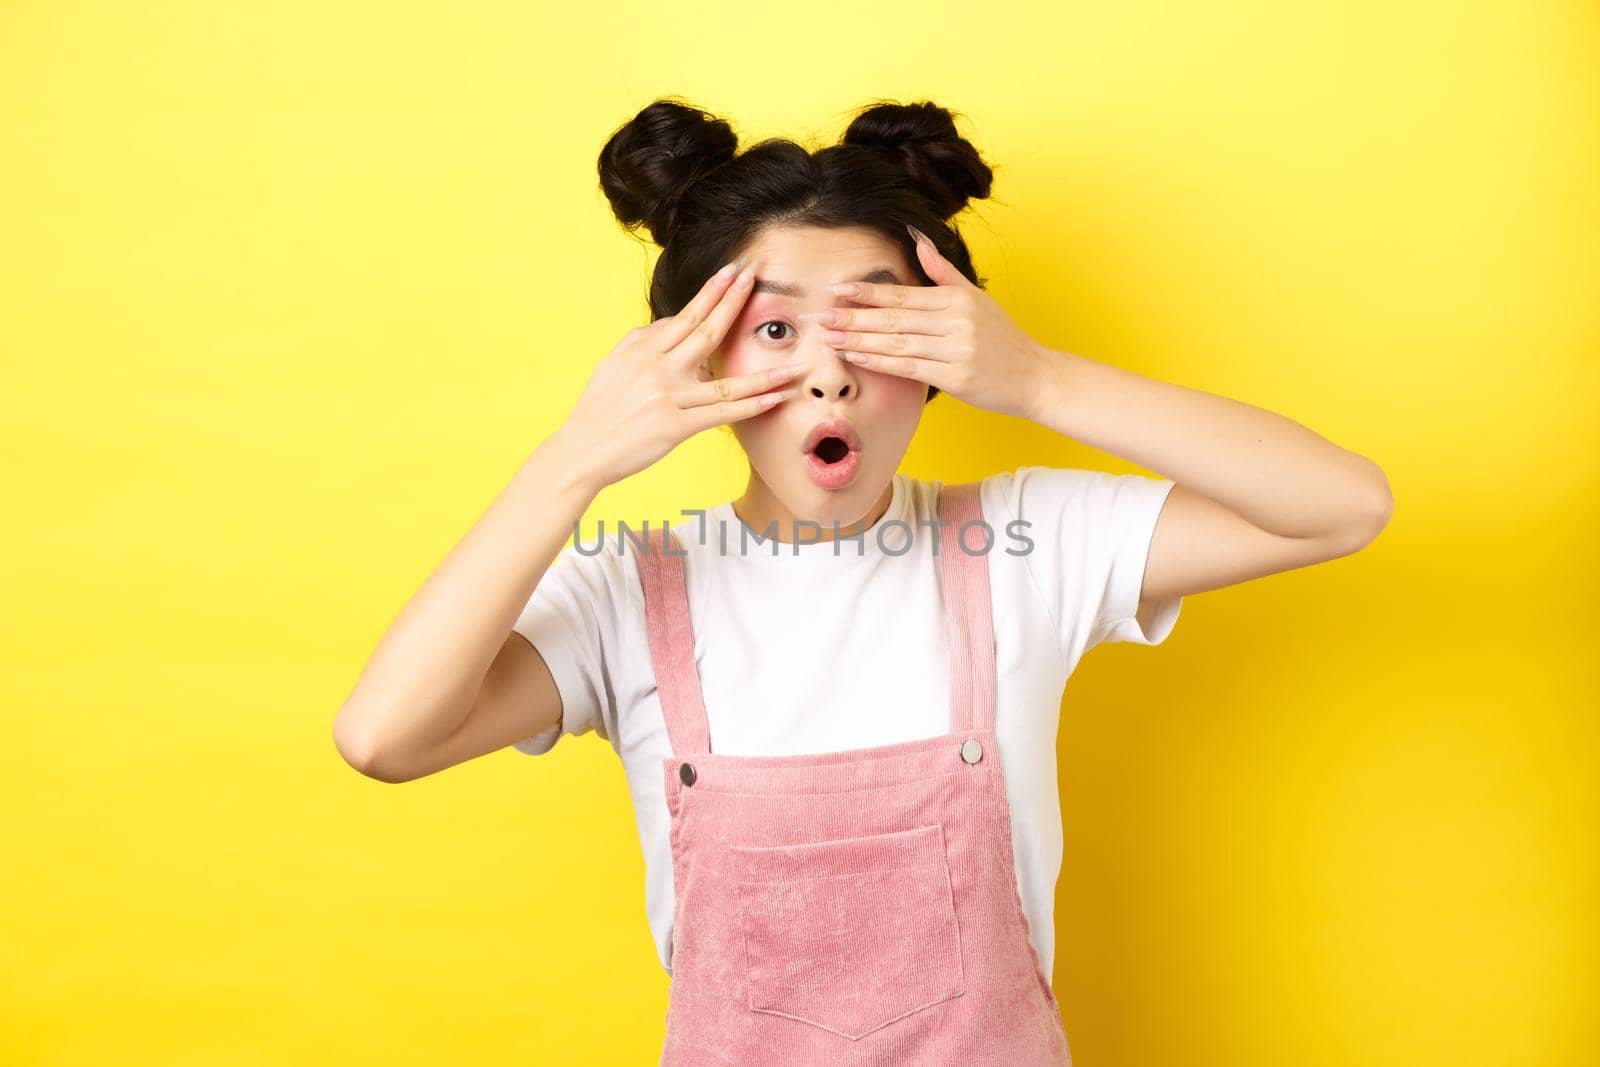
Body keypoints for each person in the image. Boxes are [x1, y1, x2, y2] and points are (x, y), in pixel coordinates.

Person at [333, 96, 1394, 1065]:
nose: (828, 372)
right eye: (776, 330)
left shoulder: (1028, 542)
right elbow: (385, 736)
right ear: (698, 366)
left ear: (944, 355)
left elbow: (1344, 504)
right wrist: (576, 456)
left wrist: (1037, 376)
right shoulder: (626, 591)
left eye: (874, 326)